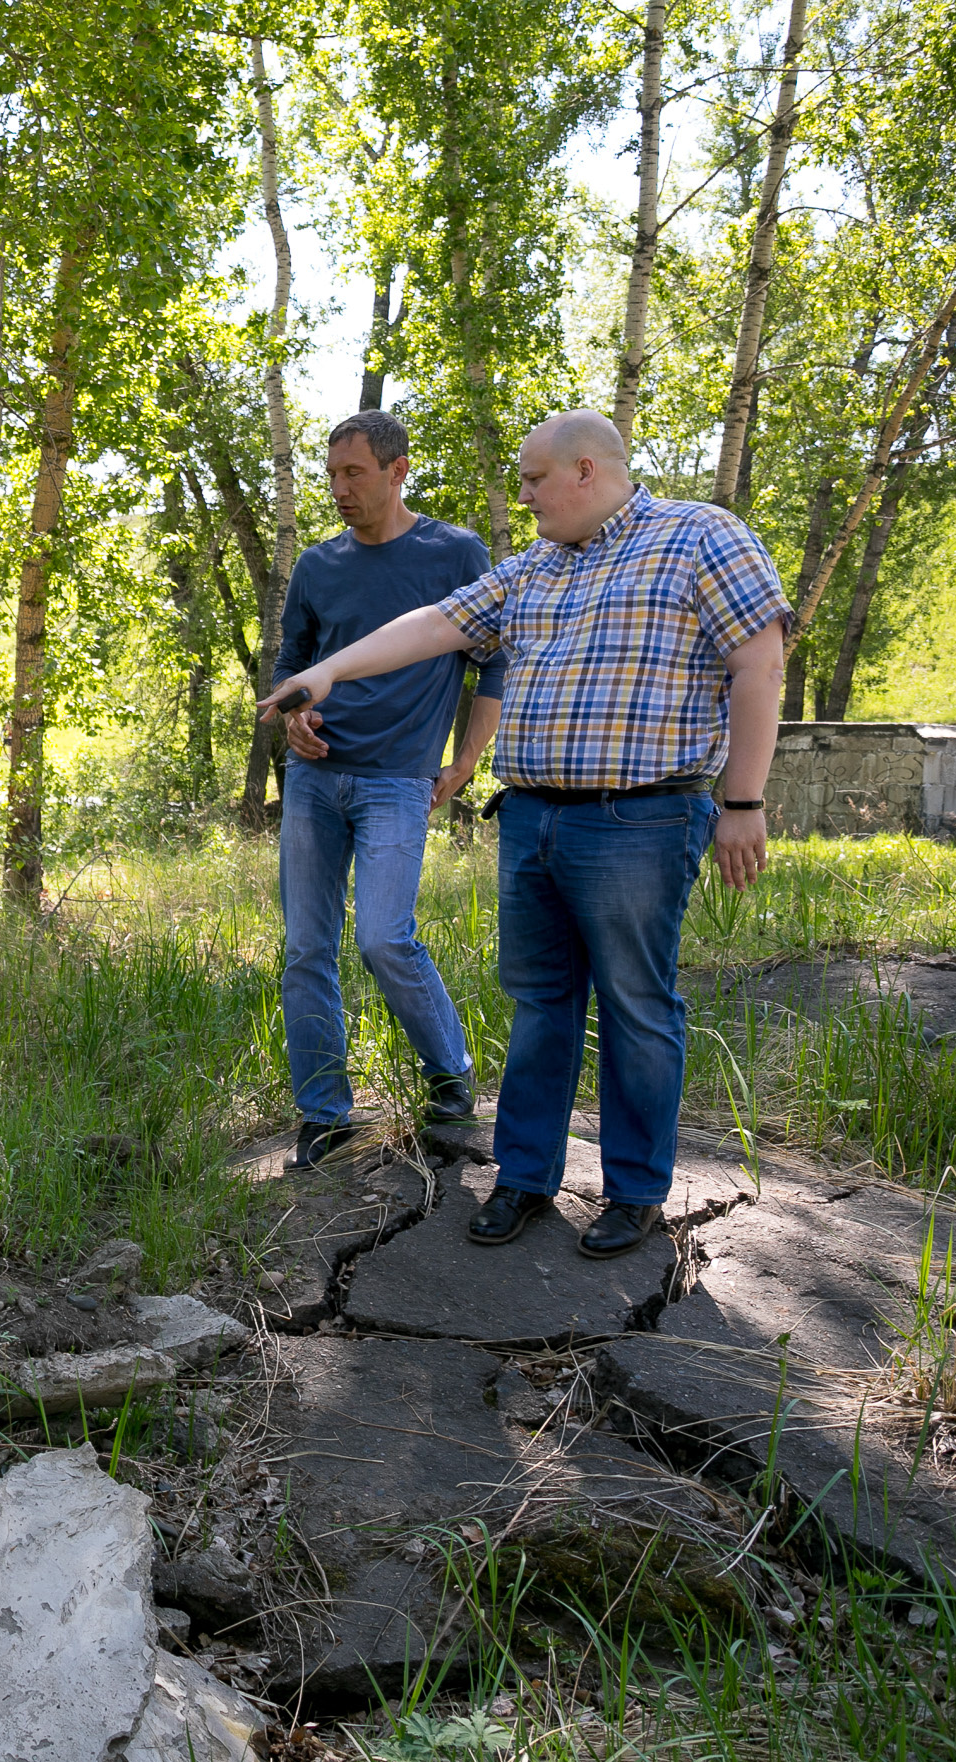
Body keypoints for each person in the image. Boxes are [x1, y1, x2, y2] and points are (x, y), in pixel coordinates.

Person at [255, 409, 788, 1258]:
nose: (526, 495)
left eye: (536, 480)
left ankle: (636, 1192)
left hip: (641, 817)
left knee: (636, 1006)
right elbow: (433, 625)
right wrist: (324, 671)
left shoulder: (699, 536)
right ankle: (526, 1177)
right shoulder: (536, 565)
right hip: (533, 814)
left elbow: (758, 662)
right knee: (540, 1005)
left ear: (586, 471)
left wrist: (745, 802)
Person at [272, 410, 502, 1170]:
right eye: (332, 474)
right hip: (313, 781)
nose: (339, 489)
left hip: (399, 782)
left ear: (399, 470)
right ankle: (323, 1114)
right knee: (307, 947)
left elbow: (495, 660)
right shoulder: (317, 565)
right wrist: (292, 724)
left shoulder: (454, 553)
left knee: (382, 938)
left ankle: (450, 1076)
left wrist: (465, 761)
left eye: (354, 474)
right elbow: (292, 665)